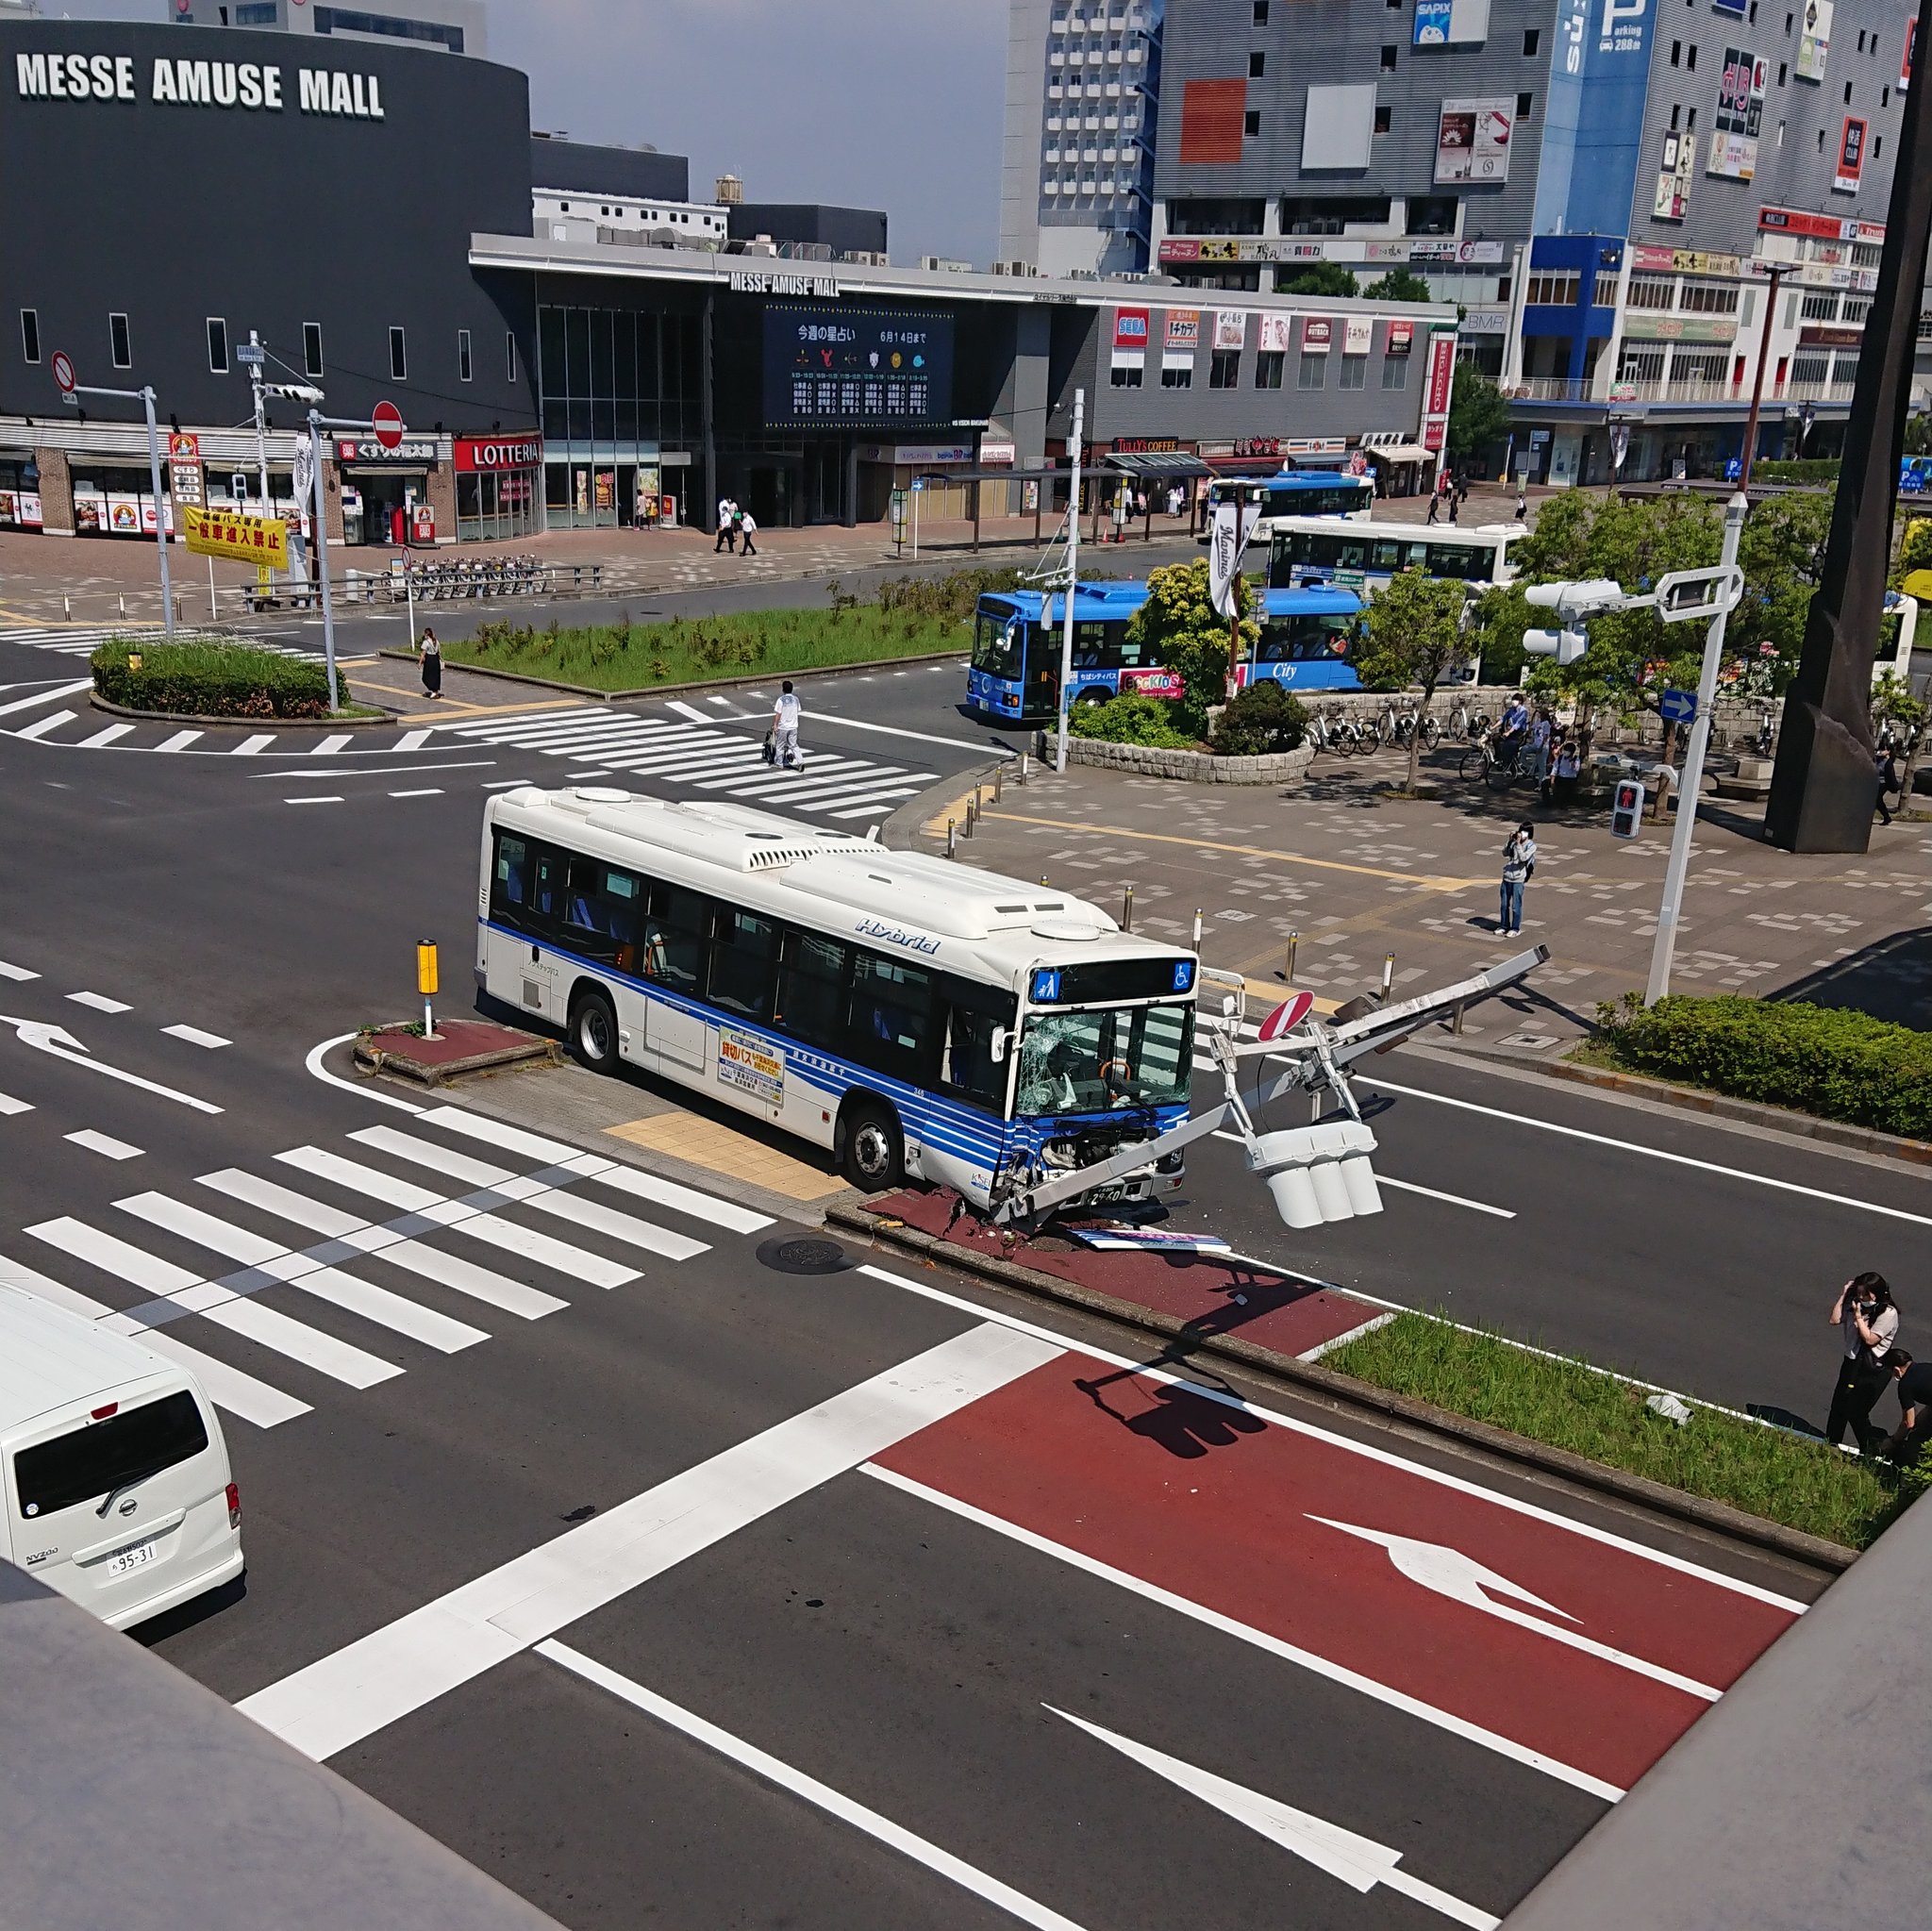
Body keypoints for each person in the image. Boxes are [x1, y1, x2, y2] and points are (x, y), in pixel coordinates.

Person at [1825, 1273, 1900, 1452]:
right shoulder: (1853, 1303)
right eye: (1859, 1293)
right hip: (1851, 1361)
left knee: (1856, 1411)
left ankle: (1873, 1446)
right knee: (1839, 1406)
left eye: (1866, 1295)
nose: (1862, 1298)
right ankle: (1831, 1444)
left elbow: (1870, 1340)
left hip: (1872, 1368)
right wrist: (1844, 1295)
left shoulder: (1888, 1313)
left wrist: (1859, 1317)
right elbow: (1834, 1320)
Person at [1877, 1349, 1932, 1462]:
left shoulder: (1905, 1385)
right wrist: (1919, 1421)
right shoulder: (1924, 1367)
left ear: (1897, 1370)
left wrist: (1893, 1441)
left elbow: (1908, 1423)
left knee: (1916, 1440)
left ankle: (1909, 1471)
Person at [1499, 822, 1537, 937]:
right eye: (1520, 831)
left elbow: (1523, 858)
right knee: (1504, 905)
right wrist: (1510, 841)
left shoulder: (1531, 846)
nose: (1521, 834)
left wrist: (1519, 844)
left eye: (1524, 832)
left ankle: (1515, 928)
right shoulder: (1514, 842)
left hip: (1518, 879)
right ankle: (1504, 925)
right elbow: (1504, 853)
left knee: (1516, 906)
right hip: (1507, 877)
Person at [772, 678, 804, 770]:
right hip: (793, 726)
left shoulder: (780, 700)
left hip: (783, 726)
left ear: (783, 689)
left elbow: (778, 714)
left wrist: (775, 725)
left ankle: (779, 763)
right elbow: (798, 710)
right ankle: (800, 761)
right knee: (793, 745)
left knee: (780, 745)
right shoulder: (796, 699)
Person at [1553, 737, 1582, 808]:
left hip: (1570, 779)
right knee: (1545, 784)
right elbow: (1554, 769)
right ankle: (1547, 802)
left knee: (1564, 789)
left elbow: (1576, 770)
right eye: (1565, 750)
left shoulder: (1576, 759)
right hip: (1560, 778)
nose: (1566, 752)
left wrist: (1572, 763)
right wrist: (1552, 781)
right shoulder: (1560, 758)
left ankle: (1563, 804)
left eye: (1568, 751)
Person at [1876, 744, 1899, 825]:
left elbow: (1890, 776)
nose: (1881, 752)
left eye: (1883, 750)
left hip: (1883, 783)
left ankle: (1887, 817)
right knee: (1875, 800)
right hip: (1875, 782)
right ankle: (1886, 817)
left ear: (1888, 751)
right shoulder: (1878, 759)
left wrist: (1894, 787)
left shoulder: (1888, 762)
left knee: (1877, 799)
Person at [418, 625, 441, 702]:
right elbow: (439, 652)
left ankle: (434, 691)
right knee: (435, 676)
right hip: (436, 659)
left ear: (426, 635)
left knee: (425, 676)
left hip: (430, 660)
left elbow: (423, 654)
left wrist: (419, 663)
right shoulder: (436, 641)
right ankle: (435, 690)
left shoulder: (426, 642)